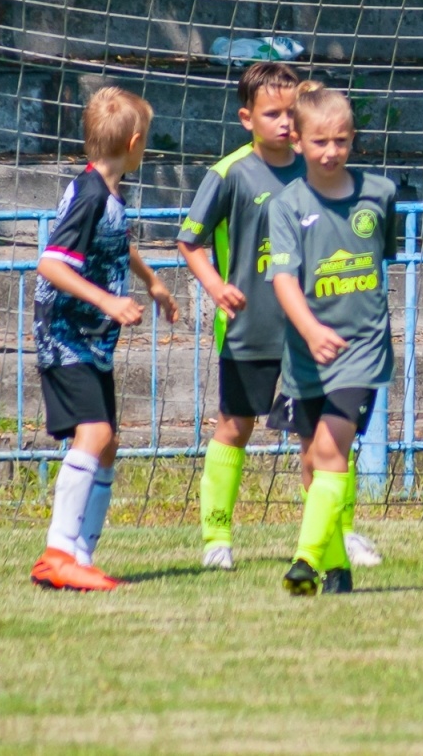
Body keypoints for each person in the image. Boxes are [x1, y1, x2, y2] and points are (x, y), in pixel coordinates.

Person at [30, 88, 179, 591]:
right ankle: (56, 554)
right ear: (135, 142)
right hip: (65, 334)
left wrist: (151, 281)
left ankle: (80, 556)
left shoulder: (110, 191)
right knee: (93, 435)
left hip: (92, 340)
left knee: (108, 444)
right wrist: (109, 302)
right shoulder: (91, 193)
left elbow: (117, 241)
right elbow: (50, 263)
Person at [266, 86, 398, 595]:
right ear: (297, 141)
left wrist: (338, 328)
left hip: (361, 349)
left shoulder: (380, 194)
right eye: (320, 142)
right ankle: (337, 566)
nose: (331, 152)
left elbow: (379, 257)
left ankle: (303, 560)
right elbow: (282, 279)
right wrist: (311, 329)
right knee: (311, 461)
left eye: (341, 141)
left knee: (328, 449)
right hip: (306, 354)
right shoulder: (287, 206)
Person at [177, 62, 306, 571]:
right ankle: (217, 538)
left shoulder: (313, 166)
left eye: (292, 112)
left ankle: (330, 534)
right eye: (272, 113)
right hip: (249, 327)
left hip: (307, 329)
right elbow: (189, 241)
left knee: (317, 433)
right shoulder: (229, 173)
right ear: (246, 117)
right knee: (236, 426)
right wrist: (216, 286)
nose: (285, 122)